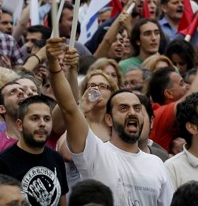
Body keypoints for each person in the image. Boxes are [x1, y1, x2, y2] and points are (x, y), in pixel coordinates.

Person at [46, 37, 174, 205]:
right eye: (123, 108)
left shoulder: (157, 164)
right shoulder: (96, 153)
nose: (132, 113)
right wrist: (54, 67)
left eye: (137, 108)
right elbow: (69, 109)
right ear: (109, 119)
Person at [0, 95, 68, 205]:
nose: (42, 124)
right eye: (35, 118)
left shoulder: (57, 158)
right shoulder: (1, 163)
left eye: (47, 119)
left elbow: (62, 201)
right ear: (20, 125)